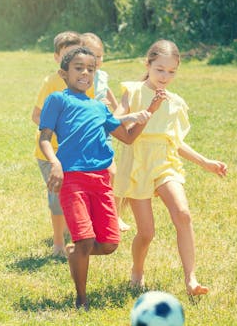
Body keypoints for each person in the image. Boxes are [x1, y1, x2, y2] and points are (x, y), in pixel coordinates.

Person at [38, 47, 158, 309]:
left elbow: (128, 137)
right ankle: (81, 299)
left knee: (109, 244)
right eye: (78, 68)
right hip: (72, 179)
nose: (85, 73)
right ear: (64, 73)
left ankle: (75, 252)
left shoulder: (99, 107)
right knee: (85, 239)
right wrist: (55, 163)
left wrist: (150, 111)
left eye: (90, 69)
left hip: (102, 180)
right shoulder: (58, 100)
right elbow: (44, 138)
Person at [113, 40, 228, 296]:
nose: (165, 76)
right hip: (137, 164)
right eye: (160, 69)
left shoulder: (175, 102)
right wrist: (139, 114)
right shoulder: (132, 91)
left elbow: (175, 142)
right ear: (148, 64)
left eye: (172, 71)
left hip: (165, 162)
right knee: (146, 232)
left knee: (183, 214)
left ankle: (191, 279)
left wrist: (205, 162)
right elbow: (114, 121)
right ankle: (137, 270)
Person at [31, 31, 94, 258]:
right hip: (50, 152)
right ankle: (58, 243)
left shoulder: (85, 81)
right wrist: (60, 127)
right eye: (68, 55)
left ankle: (76, 233)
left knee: (78, 194)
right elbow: (36, 115)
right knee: (57, 198)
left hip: (76, 151)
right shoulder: (51, 83)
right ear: (58, 58)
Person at [81, 32, 131, 232]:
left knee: (112, 172)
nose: (97, 60)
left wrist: (118, 110)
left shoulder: (102, 75)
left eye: (100, 55)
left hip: (103, 131)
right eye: (92, 55)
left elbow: (107, 90)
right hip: (85, 132)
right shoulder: (80, 77)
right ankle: (86, 218)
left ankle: (115, 216)